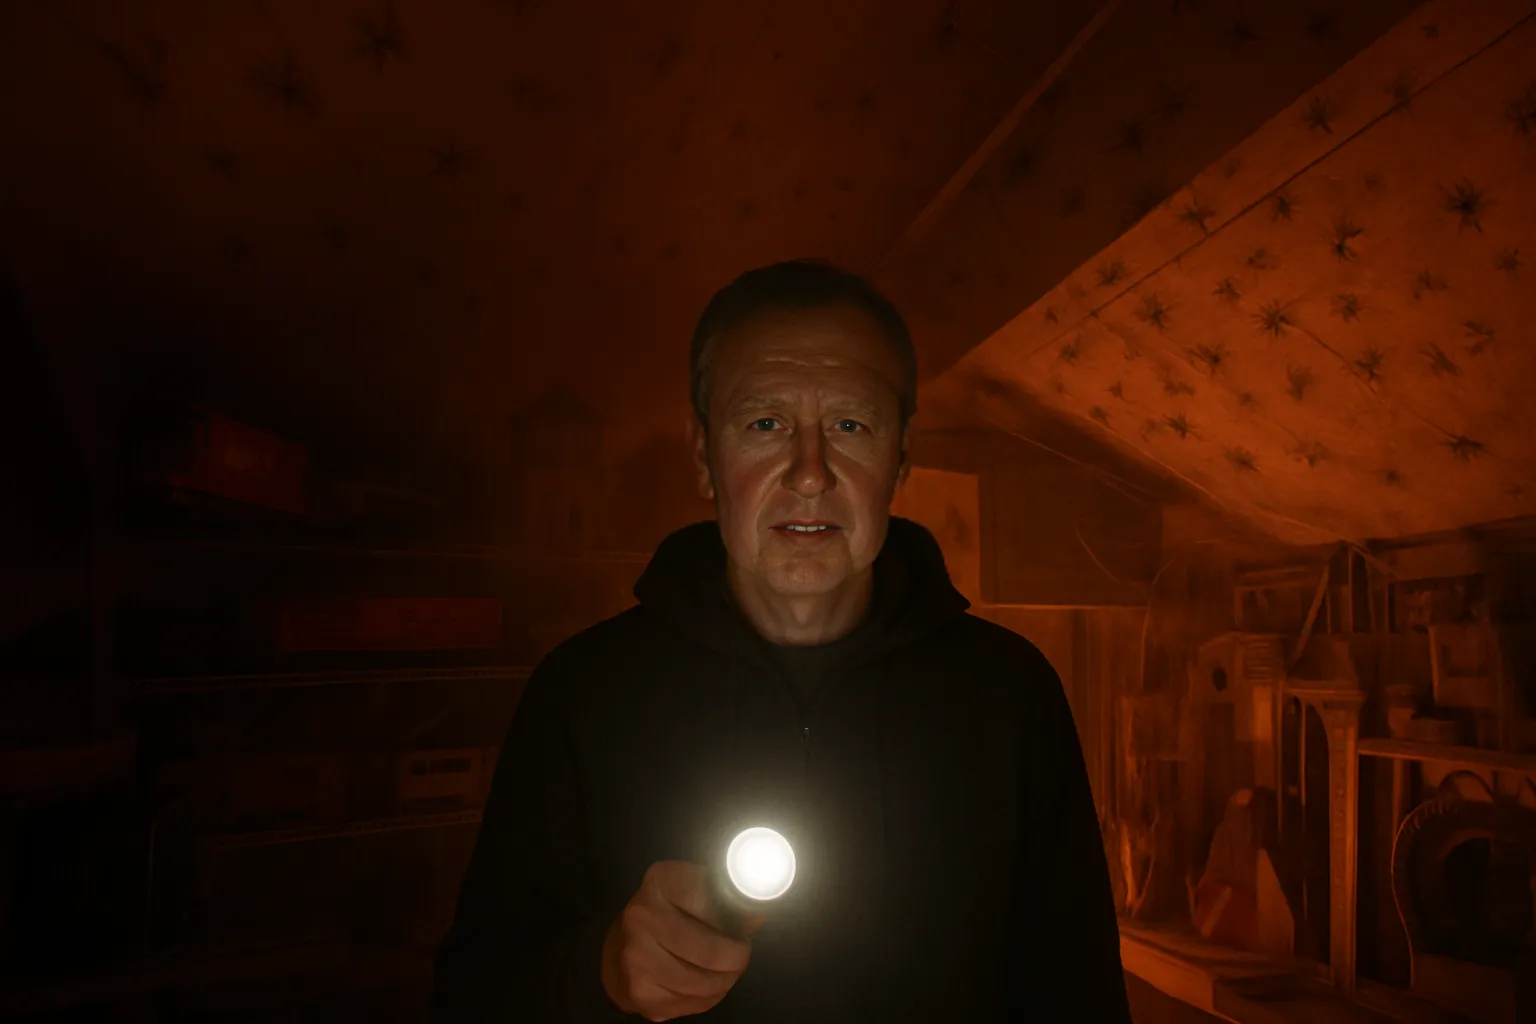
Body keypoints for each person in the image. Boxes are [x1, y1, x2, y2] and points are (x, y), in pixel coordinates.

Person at [432, 260, 1131, 1022]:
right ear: (704, 455)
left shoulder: (1011, 695)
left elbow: (1081, 996)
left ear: (900, 457)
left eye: (850, 426)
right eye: (764, 424)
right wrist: (599, 971)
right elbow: (470, 998)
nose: (808, 474)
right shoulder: (581, 693)